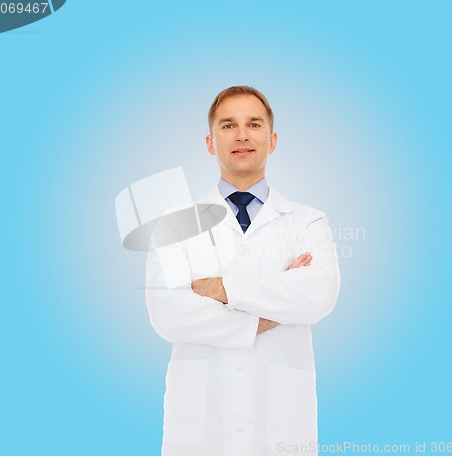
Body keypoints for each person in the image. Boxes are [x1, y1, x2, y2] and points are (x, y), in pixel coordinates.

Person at [145, 86, 340, 456]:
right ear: (209, 141)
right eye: (228, 125)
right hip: (201, 431)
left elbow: (320, 293)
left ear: (272, 139)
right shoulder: (176, 224)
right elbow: (168, 315)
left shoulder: (307, 220)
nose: (241, 135)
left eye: (254, 123)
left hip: (280, 429)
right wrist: (272, 308)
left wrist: (221, 289)